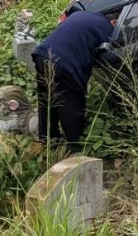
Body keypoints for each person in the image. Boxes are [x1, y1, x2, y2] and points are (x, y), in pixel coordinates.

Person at [32, 10, 114, 150]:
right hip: (64, 63)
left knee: (46, 99)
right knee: (70, 104)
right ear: (114, 21)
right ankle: (75, 146)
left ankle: (48, 139)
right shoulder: (108, 28)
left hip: (42, 54)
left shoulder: (80, 14)